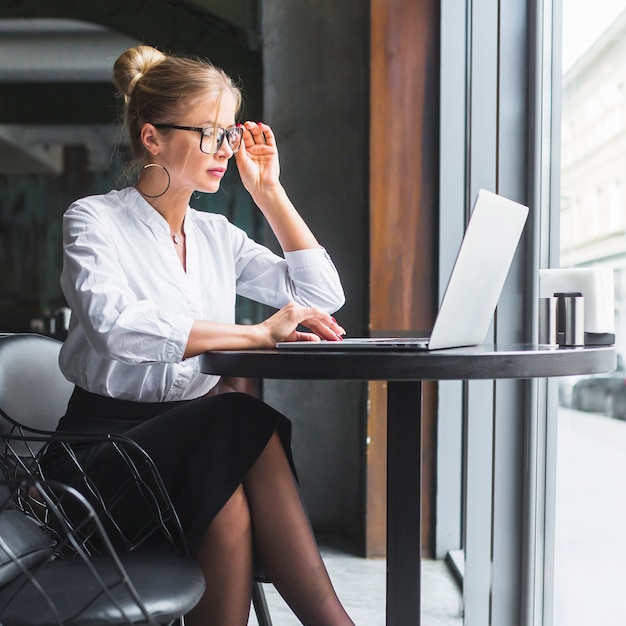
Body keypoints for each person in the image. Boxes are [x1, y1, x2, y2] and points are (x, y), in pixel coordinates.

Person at [44, 45, 354, 626]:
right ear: (153, 139)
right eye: (207, 133)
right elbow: (115, 328)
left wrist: (270, 193)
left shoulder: (217, 234)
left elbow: (321, 297)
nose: (223, 149)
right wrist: (257, 335)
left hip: (190, 447)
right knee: (237, 415)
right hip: (103, 455)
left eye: (227, 133)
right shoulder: (93, 220)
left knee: (230, 493)